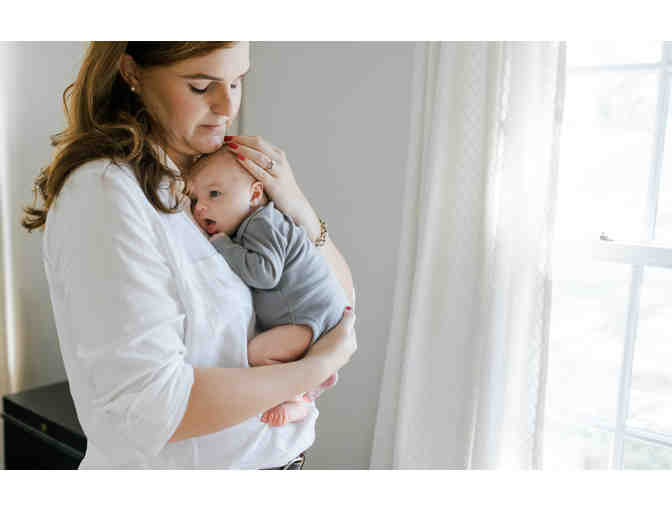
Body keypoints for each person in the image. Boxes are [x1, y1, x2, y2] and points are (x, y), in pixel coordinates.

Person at [21, 41, 357, 469]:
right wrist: (315, 368)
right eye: (201, 86)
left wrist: (295, 204)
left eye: (237, 81)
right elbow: (153, 407)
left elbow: (337, 306)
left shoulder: (222, 173)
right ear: (132, 73)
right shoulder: (105, 193)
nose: (227, 107)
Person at [186, 148, 348, 427]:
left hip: (310, 315)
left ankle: (299, 397)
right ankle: (311, 380)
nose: (200, 207)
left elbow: (265, 274)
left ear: (254, 194)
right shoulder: (256, 225)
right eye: (194, 199)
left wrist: (224, 245)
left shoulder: (262, 223)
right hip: (313, 314)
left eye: (214, 194)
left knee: (258, 353)